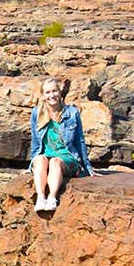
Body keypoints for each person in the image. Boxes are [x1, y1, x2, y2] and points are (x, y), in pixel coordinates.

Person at [29, 77, 98, 212]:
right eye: (48, 92)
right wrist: (31, 163)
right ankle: (41, 197)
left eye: (54, 91)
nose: (52, 95)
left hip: (67, 157)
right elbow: (36, 141)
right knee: (40, 159)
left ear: (60, 92)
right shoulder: (36, 113)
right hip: (45, 155)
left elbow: (80, 141)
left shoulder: (72, 113)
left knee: (55, 161)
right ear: (43, 95)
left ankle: (52, 198)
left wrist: (87, 167)